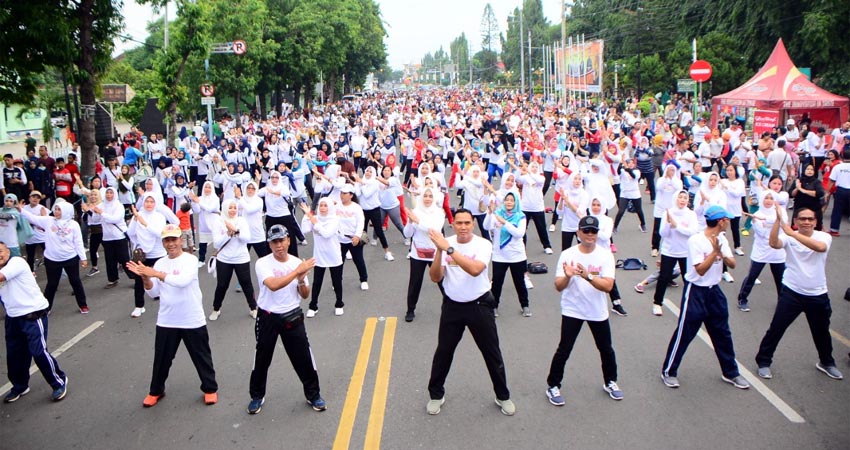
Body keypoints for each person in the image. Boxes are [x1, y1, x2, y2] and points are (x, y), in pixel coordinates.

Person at [425, 208, 515, 416]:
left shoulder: (483, 244)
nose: (463, 227)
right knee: (443, 353)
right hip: (452, 306)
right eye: (459, 223)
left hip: (479, 305)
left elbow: (475, 270)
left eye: (467, 223)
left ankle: (502, 396)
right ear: (453, 224)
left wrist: (448, 249)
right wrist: (439, 251)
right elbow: (435, 277)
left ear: (473, 224)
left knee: (492, 353)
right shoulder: (445, 243)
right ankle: (436, 395)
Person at [127, 224, 219, 407]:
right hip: (167, 319)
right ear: (163, 243)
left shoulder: (190, 260)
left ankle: (210, 388)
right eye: (167, 240)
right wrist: (145, 278)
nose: (171, 244)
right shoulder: (160, 263)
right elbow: (154, 294)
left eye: (174, 239)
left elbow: (182, 282)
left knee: (201, 356)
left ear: (180, 240)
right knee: (162, 358)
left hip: (191, 318)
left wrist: (155, 273)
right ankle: (156, 391)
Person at [661, 205, 750, 390]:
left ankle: (730, 372)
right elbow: (700, 270)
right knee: (685, 333)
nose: (729, 222)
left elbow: (732, 264)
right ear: (720, 221)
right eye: (726, 219)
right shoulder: (696, 240)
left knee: (723, 334)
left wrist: (723, 253)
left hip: (714, 292)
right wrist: (715, 253)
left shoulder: (722, 239)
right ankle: (669, 371)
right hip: (696, 291)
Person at [754, 206, 843, 380]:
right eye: (802, 219)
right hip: (792, 292)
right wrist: (779, 221)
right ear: (795, 221)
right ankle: (763, 362)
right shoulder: (787, 236)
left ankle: (826, 363)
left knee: (821, 332)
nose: (807, 222)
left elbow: (819, 248)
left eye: (810, 219)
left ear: (816, 222)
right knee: (776, 329)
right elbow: (773, 243)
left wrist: (792, 233)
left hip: (817, 294)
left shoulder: (823, 237)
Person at [247, 225, 327, 415]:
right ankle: (257, 396)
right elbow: (273, 285)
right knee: (261, 358)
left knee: (303, 358)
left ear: (289, 240)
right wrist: (296, 272)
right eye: (274, 242)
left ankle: (313, 395)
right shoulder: (263, 263)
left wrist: (300, 280)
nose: (279, 246)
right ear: (269, 244)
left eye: (281, 241)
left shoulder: (297, 262)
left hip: (292, 315)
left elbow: (305, 295)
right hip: (267, 317)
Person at [545, 215, 622, 406]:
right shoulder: (568, 254)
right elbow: (558, 286)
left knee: (605, 348)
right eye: (586, 231)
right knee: (564, 348)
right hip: (573, 309)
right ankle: (553, 385)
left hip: (597, 310)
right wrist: (569, 276)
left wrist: (587, 276)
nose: (590, 235)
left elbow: (608, 286)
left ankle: (610, 381)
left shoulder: (605, 255)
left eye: (593, 231)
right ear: (578, 232)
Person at [0, 241, 68, 403]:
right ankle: (20, 385)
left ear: (7, 250)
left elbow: (2, 277)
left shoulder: (16, 262)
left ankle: (58, 381)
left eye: (0, 251)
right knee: (15, 355)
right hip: (13, 318)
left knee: (38, 352)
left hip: (32, 315)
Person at [20, 200, 89, 313]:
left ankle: (83, 305)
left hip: (70, 258)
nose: (56, 212)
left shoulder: (73, 224)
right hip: (52, 259)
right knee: (52, 284)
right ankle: (46, 308)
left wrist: (83, 258)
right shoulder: (48, 220)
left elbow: (78, 242)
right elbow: (33, 218)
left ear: (66, 211)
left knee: (75, 281)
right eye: (55, 209)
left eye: (59, 210)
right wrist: (20, 209)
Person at [208, 199, 257, 320]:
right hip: (224, 259)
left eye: (235, 208)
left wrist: (236, 231)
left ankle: (253, 308)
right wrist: (228, 234)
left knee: (246, 283)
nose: (233, 210)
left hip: (241, 258)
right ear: (224, 208)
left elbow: (246, 238)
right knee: (222, 285)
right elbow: (217, 244)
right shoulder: (218, 222)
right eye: (230, 208)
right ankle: (216, 309)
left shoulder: (241, 221)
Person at [652, 190, 698, 316]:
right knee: (664, 277)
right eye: (680, 197)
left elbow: (693, 231)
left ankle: (690, 304)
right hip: (669, 251)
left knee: (688, 279)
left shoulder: (691, 214)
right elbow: (663, 234)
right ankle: (657, 303)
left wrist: (677, 226)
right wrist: (668, 224)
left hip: (685, 252)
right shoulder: (668, 213)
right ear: (675, 199)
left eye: (685, 198)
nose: (683, 200)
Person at [484, 191, 530, 317]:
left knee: (520, 282)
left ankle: (525, 305)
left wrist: (505, 222)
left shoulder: (521, 216)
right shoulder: (497, 214)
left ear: (516, 202)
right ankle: (494, 306)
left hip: (517, 255)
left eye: (512, 200)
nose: (509, 202)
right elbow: (486, 226)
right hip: (499, 255)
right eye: (507, 200)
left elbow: (519, 233)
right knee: (497, 282)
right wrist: (489, 213)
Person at [402, 186, 445, 322]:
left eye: (430, 196)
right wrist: (410, 222)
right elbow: (407, 234)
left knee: (442, 281)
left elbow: (434, 230)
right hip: (417, 253)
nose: (427, 198)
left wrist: (417, 221)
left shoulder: (439, 212)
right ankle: (410, 309)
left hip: (435, 253)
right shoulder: (415, 212)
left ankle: (453, 307)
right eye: (425, 196)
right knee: (415, 282)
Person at [299, 198, 343, 317]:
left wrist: (313, 220)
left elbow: (327, 234)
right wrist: (307, 216)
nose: (323, 208)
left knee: (337, 281)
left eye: (325, 205)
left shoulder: (335, 219)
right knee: (317, 282)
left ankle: (339, 304)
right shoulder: (315, 218)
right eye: (321, 205)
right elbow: (304, 230)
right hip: (319, 255)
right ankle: (313, 306)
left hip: (334, 255)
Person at [127, 194, 167, 318]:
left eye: (151, 201)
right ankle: (139, 306)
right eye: (147, 201)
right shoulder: (139, 216)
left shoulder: (159, 217)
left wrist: (145, 224)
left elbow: (159, 233)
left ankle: (165, 303)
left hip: (158, 253)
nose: (149, 204)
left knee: (161, 279)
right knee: (139, 280)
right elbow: (130, 233)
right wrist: (136, 219)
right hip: (143, 254)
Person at [99, 187, 132, 288]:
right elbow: (95, 218)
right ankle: (112, 279)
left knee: (124, 259)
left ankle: (135, 277)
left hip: (119, 236)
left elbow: (115, 219)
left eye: (111, 193)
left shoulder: (118, 205)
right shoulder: (102, 205)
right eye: (107, 193)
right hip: (107, 237)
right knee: (110, 260)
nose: (109, 195)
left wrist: (102, 213)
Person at [826, 149, 850, 237]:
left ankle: (834, 229)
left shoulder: (838, 167)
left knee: (837, 210)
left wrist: (827, 192)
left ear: (842, 156)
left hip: (841, 190)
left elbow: (832, 180)